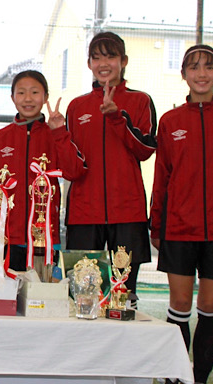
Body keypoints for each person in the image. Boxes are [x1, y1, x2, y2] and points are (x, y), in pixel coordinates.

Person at [64, 31, 157, 306]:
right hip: (84, 214)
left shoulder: (140, 101)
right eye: (96, 57)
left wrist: (117, 118)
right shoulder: (76, 107)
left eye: (111, 56)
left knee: (123, 298)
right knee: (83, 297)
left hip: (127, 212)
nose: (103, 63)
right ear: (89, 64)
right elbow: (71, 166)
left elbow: (146, 149)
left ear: (123, 61)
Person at [150, 44, 213, 384]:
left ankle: (201, 378)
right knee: (179, 303)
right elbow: (162, 176)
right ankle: (175, 377)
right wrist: (157, 224)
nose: (201, 73)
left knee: (209, 306)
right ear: (183, 75)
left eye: (209, 66)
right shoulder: (171, 121)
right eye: (194, 67)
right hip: (179, 228)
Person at [0, 70, 86, 271]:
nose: (28, 99)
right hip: (7, 237)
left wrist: (59, 132)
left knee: (42, 289)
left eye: (34, 92)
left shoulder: (56, 134)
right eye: (21, 92)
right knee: (6, 288)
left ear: (45, 97)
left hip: (45, 237)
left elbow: (74, 172)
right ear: (12, 97)